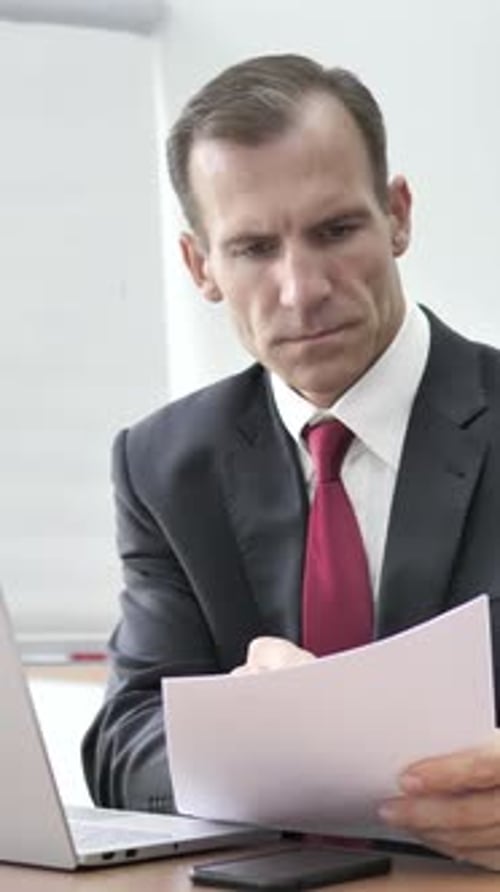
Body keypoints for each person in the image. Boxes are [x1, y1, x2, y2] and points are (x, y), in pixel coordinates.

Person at [82, 53, 500, 870]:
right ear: (201, 267)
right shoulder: (164, 464)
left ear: (399, 215)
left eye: (336, 231)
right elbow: (125, 744)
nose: (301, 289)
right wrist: (242, 735)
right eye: (252, 249)